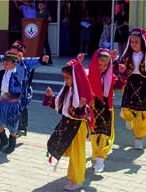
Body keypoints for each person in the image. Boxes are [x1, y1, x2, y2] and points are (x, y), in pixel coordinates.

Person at [42, 58, 94, 191]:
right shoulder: (67, 89)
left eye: (68, 78)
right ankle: (74, 177)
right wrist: (51, 97)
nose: (65, 80)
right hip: (66, 124)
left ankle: (78, 180)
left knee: (77, 153)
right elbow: (62, 107)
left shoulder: (82, 94)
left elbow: (84, 112)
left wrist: (81, 107)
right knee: (66, 149)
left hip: (77, 127)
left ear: (75, 77)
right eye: (64, 78)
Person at [0, 41, 49, 136]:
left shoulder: (25, 62)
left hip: (22, 91)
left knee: (22, 108)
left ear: (20, 53)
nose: (13, 53)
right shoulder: (7, 59)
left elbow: (36, 61)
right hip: (10, 91)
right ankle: (12, 128)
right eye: (12, 50)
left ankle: (22, 128)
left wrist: (42, 60)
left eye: (16, 52)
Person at [116, 28, 146, 149]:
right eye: (132, 41)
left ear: (142, 43)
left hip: (144, 86)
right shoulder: (126, 56)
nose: (133, 44)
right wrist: (116, 63)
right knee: (126, 107)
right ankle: (128, 118)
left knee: (142, 113)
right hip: (130, 84)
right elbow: (118, 67)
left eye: (136, 41)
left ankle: (138, 138)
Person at [87, 49, 125, 172]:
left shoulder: (110, 76)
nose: (102, 67)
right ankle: (97, 157)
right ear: (94, 63)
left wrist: (122, 74)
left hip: (106, 110)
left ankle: (100, 159)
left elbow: (118, 86)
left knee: (105, 134)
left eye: (105, 65)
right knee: (94, 135)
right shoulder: (89, 76)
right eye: (100, 64)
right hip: (93, 109)